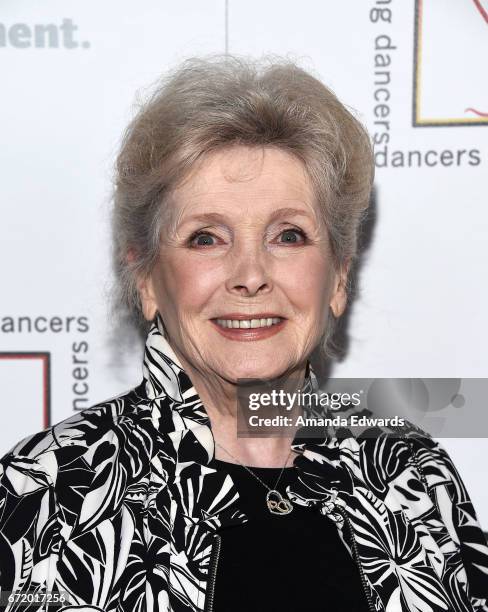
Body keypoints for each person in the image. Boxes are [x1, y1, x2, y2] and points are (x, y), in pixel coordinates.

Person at [1, 55, 487, 612]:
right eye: (206, 238)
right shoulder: (46, 490)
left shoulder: (413, 474)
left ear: (339, 276)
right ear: (146, 277)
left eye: (289, 235)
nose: (251, 275)